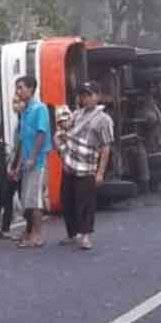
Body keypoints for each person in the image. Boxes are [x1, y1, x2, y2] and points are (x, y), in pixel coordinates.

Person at [56, 82, 113, 251]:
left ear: (97, 96)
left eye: (89, 94)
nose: (86, 98)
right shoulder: (76, 114)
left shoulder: (103, 119)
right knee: (67, 200)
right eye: (83, 95)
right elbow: (64, 129)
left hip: (87, 166)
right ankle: (72, 233)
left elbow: (105, 147)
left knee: (85, 203)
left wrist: (100, 172)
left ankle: (86, 235)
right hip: (70, 164)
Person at [7, 76, 51, 248]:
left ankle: (37, 235)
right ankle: (29, 231)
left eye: (21, 87)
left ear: (31, 88)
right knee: (27, 200)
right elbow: (22, 139)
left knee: (35, 201)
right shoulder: (24, 111)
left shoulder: (40, 109)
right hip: (26, 162)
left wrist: (33, 156)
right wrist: (17, 165)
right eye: (17, 88)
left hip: (37, 161)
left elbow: (41, 134)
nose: (18, 91)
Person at [0, 95, 26, 240]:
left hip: (20, 163)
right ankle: (5, 229)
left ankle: (30, 230)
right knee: (7, 195)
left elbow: (21, 145)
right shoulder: (20, 121)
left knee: (23, 197)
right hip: (15, 161)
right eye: (13, 103)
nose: (14, 106)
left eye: (17, 102)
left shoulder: (24, 121)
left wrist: (15, 165)